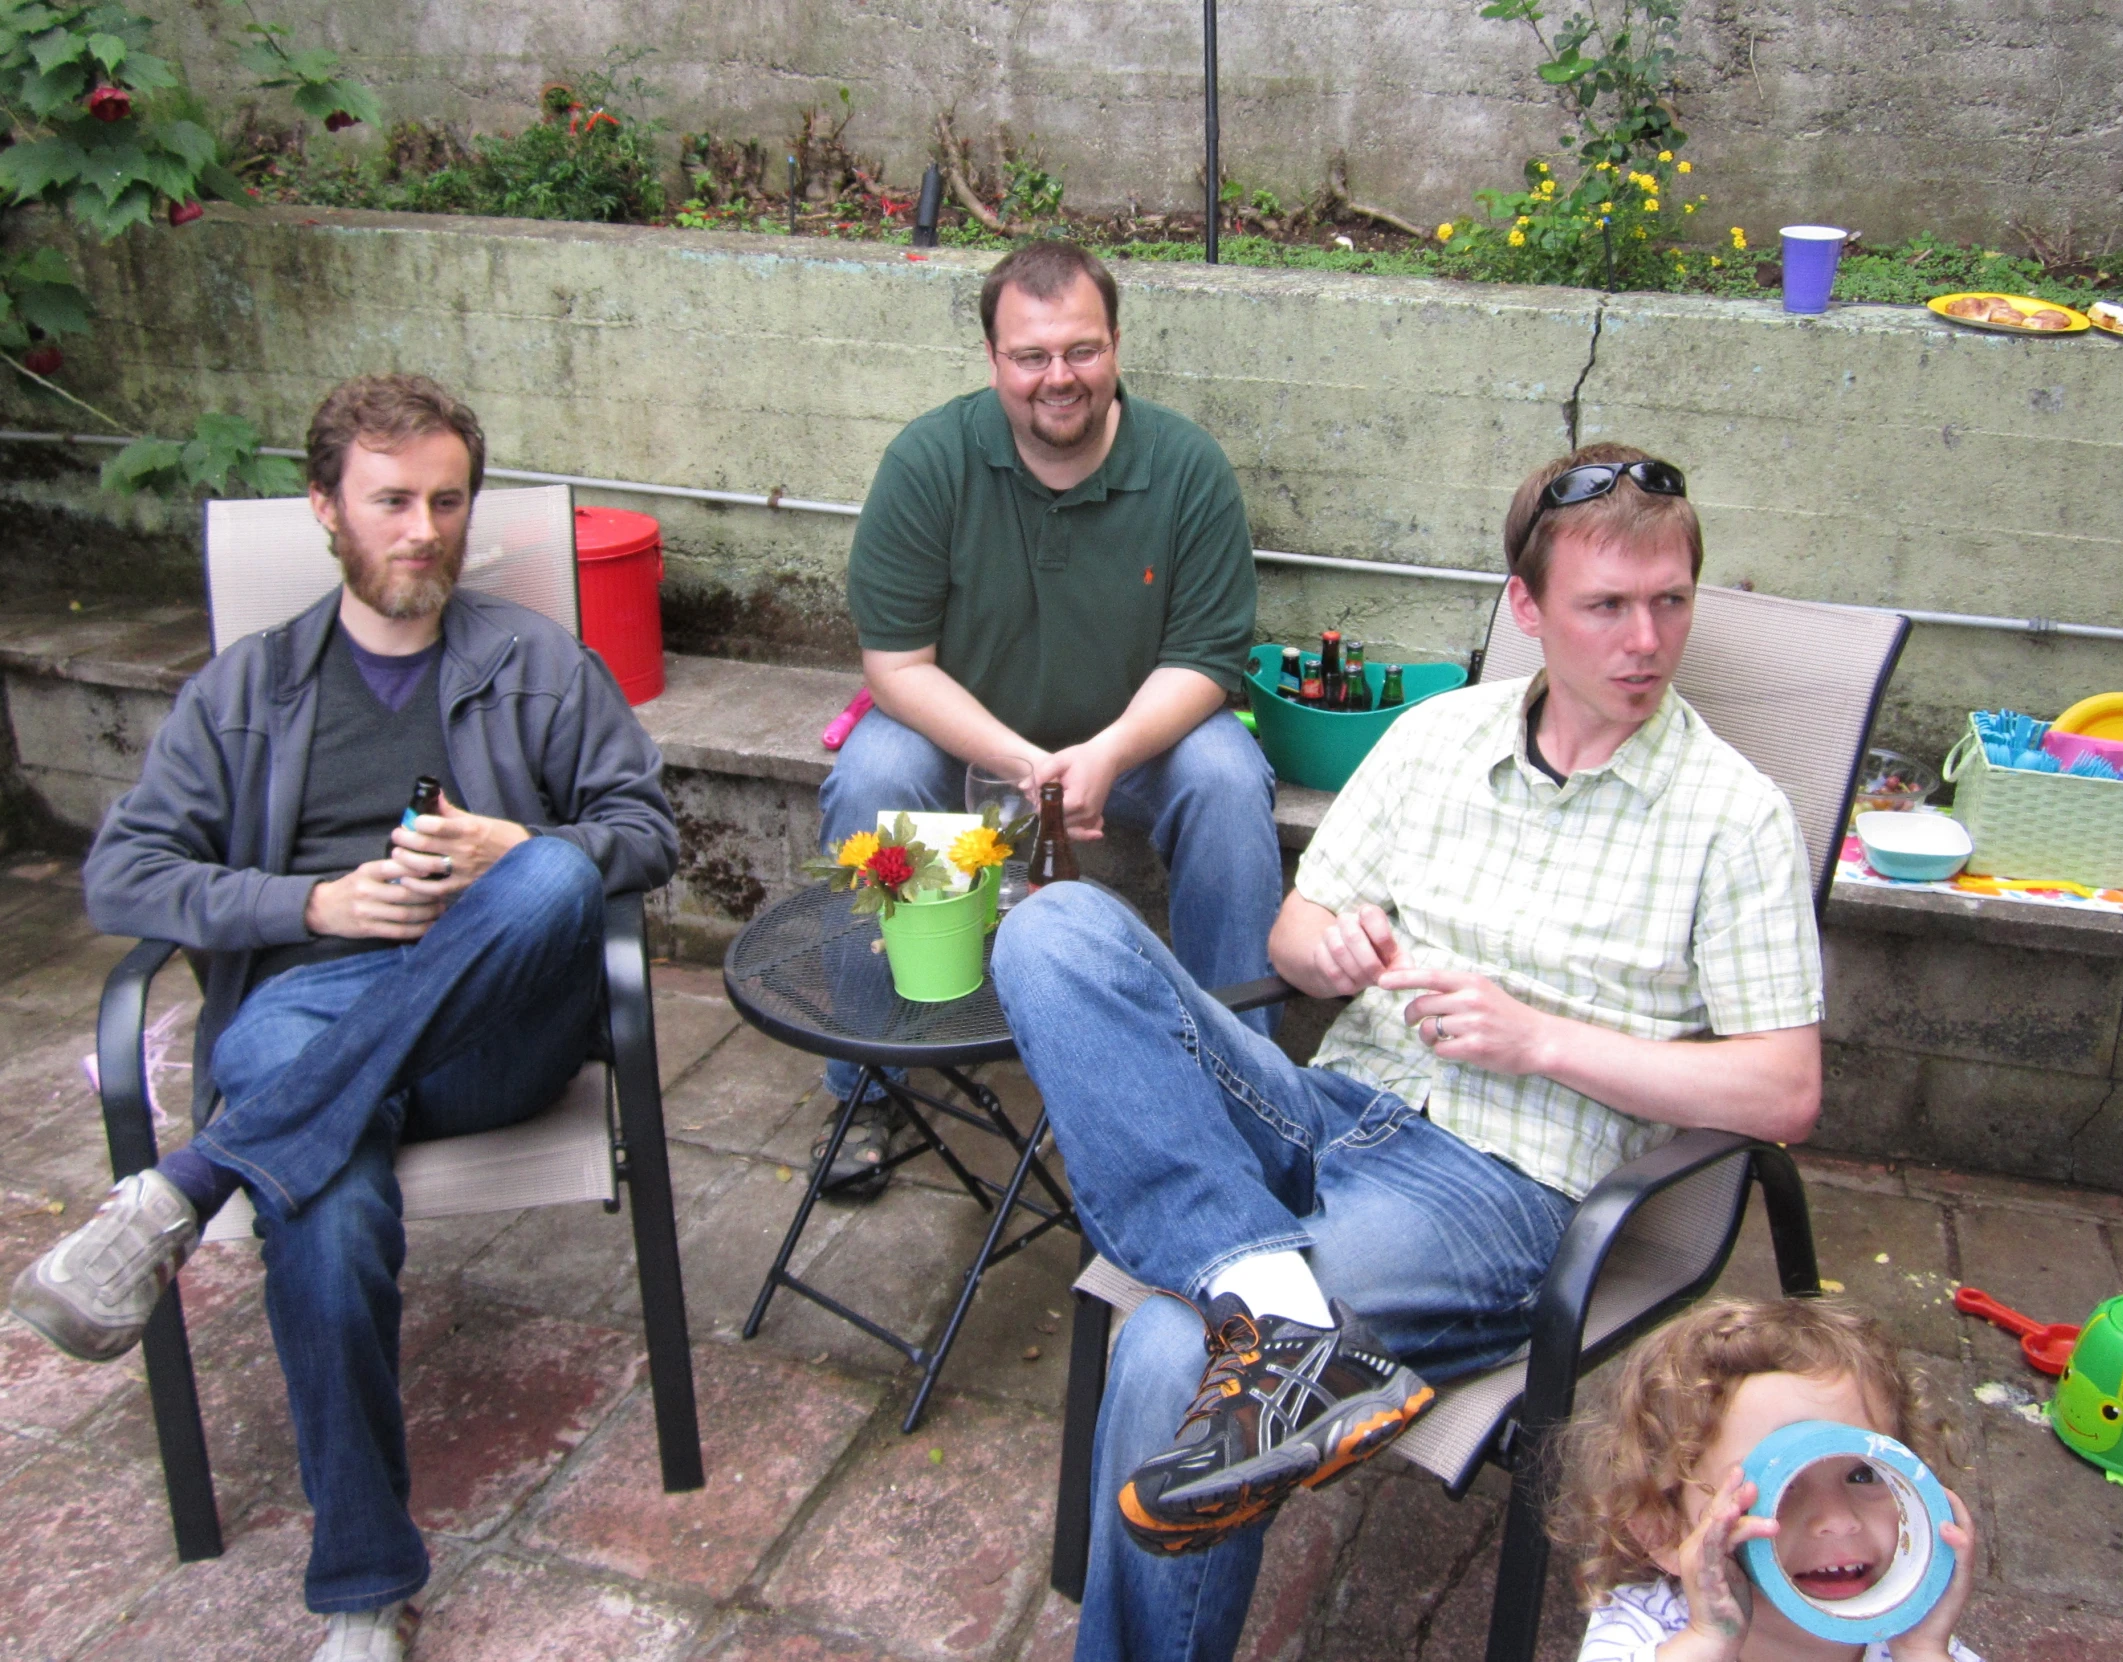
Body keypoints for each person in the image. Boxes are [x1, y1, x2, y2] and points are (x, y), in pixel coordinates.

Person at [988, 442, 1829, 1662]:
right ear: (1528, 611)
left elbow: (1783, 1090)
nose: (1644, 640)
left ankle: (1252, 1320)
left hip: (1488, 1190)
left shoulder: (1732, 816)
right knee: (1052, 927)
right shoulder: (1437, 736)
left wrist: (1539, 1040)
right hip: (1323, 1109)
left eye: (1668, 602)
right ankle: (1277, 1310)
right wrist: (1330, 947)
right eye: (1604, 607)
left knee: (1174, 1348)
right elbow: (1290, 925)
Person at [9, 373, 677, 1662]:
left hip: (499, 1033)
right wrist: (311, 907)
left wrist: (509, 847)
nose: (421, 529)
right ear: (326, 510)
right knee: (329, 1193)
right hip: (308, 1005)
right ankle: (365, 1590)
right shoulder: (244, 690)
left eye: (445, 500)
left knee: (546, 873)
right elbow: (124, 876)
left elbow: (645, 831)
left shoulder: (534, 661)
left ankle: (191, 1181)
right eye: (389, 502)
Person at [816, 237, 1280, 1189]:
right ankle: (865, 1085)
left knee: (1231, 779)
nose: (1058, 378)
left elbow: (1205, 661)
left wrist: (1106, 750)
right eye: (1031, 356)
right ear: (994, 361)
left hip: (1138, 735)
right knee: (870, 776)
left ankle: (1243, 1089)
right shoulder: (929, 461)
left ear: (1115, 346)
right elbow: (897, 665)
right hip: (967, 733)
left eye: (1082, 350)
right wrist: (1024, 760)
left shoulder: (1187, 467)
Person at [1554, 1297, 1979, 1661]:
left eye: (1863, 1473)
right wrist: (1710, 1641)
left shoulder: (1917, 1641)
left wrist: (1922, 1650)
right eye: (1780, 1486)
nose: (1837, 1519)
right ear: (1663, 1529)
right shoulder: (1645, 1631)